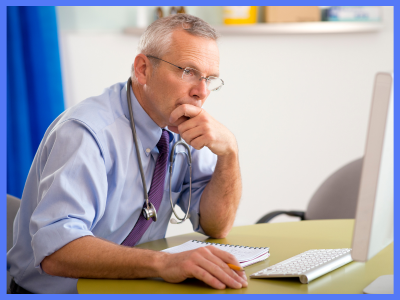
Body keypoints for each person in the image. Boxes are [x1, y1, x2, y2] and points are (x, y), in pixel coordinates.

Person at [7, 14, 244, 294]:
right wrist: (164, 264)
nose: (201, 92)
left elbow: (216, 225)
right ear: (143, 69)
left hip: (131, 287)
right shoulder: (87, 133)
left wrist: (229, 152)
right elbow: (56, 252)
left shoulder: (185, 128)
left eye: (209, 79)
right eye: (188, 72)